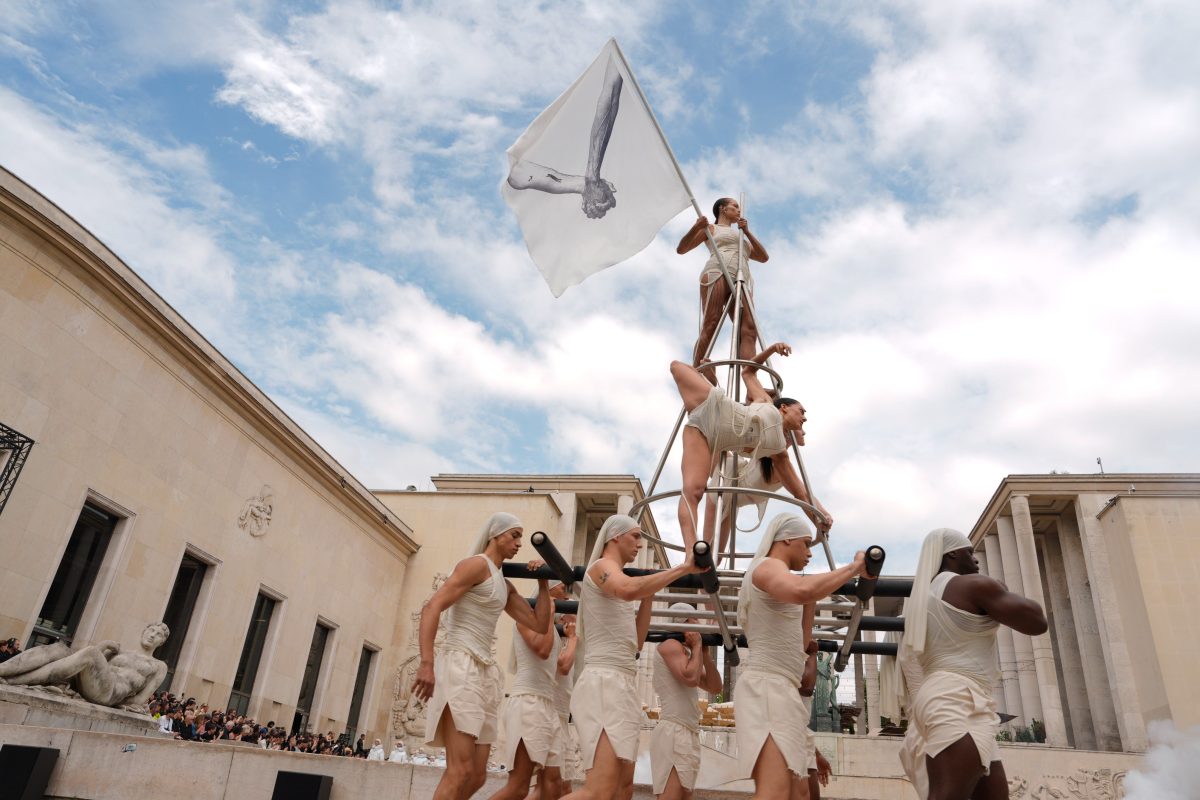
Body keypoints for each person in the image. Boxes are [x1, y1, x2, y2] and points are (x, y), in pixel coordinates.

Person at [896, 529, 1048, 800]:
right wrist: (999, 587)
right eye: (970, 551)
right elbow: (1037, 621)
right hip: (958, 698)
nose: (976, 559)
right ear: (952, 553)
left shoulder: (921, 600)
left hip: (945, 697)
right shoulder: (974, 586)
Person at [411, 513, 554, 800]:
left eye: (520, 537)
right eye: (514, 535)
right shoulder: (475, 565)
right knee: (460, 771)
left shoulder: (503, 583)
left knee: (477, 776)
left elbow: (538, 624)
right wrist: (427, 663)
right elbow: (432, 607)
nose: (519, 543)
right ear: (495, 535)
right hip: (460, 664)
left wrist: (542, 583)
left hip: (485, 674)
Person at [560, 515, 701, 800]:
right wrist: (683, 567)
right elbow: (626, 590)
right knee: (598, 791)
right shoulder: (602, 567)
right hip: (604, 683)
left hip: (621, 684)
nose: (639, 543)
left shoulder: (618, 576)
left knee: (622, 789)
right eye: (635, 536)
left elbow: (635, 643)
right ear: (615, 536)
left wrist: (649, 593)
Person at [736, 514, 870, 799]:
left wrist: (811, 596)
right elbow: (800, 590)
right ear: (786, 539)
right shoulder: (767, 566)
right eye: (806, 544)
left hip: (781, 690)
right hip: (768, 689)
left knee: (798, 794)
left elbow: (802, 641)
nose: (810, 552)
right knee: (775, 792)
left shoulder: (779, 576)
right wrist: (855, 568)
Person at [671, 350, 830, 554]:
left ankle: (694, 555)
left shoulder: (778, 451)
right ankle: (690, 552)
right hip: (713, 407)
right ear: (784, 408)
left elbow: (801, 493)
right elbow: (747, 372)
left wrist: (820, 516)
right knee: (676, 366)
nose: (804, 418)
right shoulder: (765, 402)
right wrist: (772, 349)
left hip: (705, 436)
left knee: (693, 491)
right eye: (802, 411)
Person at [676, 198, 770, 395]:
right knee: (711, 322)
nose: (738, 209)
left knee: (749, 329)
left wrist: (749, 232)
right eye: (734, 206)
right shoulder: (711, 229)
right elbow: (682, 249)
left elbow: (763, 257)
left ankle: (750, 381)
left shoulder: (742, 236)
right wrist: (696, 228)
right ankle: (698, 371)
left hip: (742, 278)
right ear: (722, 209)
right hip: (718, 271)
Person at [491, 581, 572, 800]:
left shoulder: (554, 632)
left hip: (548, 706)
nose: (567, 596)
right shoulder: (524, 620)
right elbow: (543, 650)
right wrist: (550, 608)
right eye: (562, 590)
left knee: (554, 785)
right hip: (528, 702)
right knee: (518, 787)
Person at [0, 622, 169, 710]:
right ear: (144, 631)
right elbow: (88, 665)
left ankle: (14, 681)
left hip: (112, 692)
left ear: (162, 642)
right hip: (92, 684)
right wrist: (104, 646)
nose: (153, 635)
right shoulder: (120, 651)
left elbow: (140, 700)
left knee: (90, 653)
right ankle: (4, 670)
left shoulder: (158, 666)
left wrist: (116, 702)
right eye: (151, 631)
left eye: (158, 635)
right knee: (59, 649)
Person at [650, 604, 722, 800]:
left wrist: (705, 654)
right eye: (694, 620)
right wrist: (697, 646)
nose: (699, 625)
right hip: (673, 732)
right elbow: (690, 678)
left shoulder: (689, 656)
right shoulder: (669, 645)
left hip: (687, 732)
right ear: (682, 622)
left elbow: (716, 687)